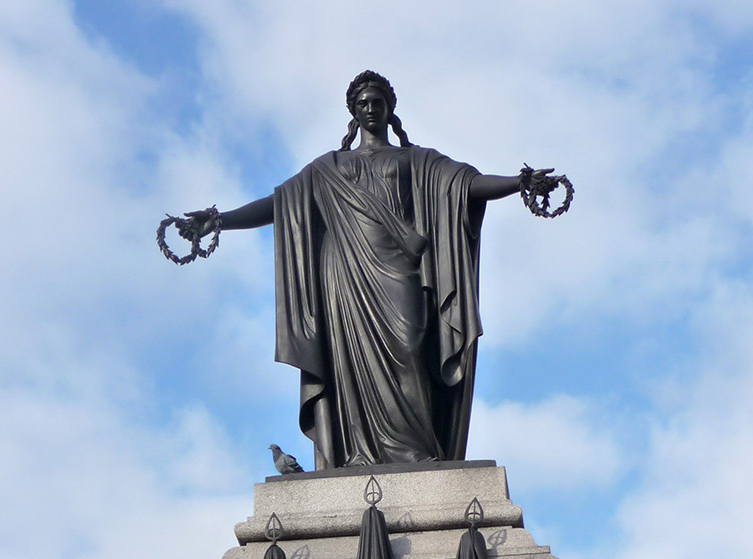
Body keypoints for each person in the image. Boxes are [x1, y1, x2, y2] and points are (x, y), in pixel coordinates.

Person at [175, 71, 563, 469]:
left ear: (389, 108)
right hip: (344, 275)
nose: (371, 109)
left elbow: (465, 185)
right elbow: (278, 206)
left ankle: (414, 450)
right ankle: (357, 453)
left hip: (400, 270)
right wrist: (219, 220)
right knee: (350, 368)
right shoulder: (327, 169)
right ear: (353, 112)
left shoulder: (416, 160)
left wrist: (519, 182)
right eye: (363, 103)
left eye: (378, 102)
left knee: (410, 347)